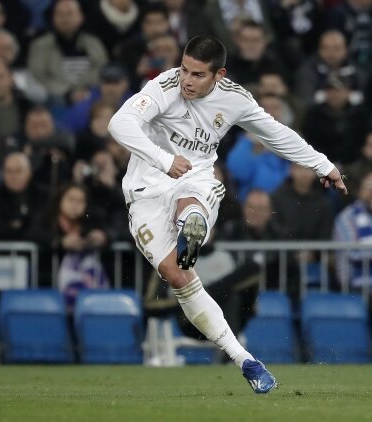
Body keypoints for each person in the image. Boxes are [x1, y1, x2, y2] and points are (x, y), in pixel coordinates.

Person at [108, 35, 348, 394]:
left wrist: (322, 165)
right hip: (145, 192)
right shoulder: (164, 86)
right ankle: (245, 359)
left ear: (218, 75)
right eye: (184, 69)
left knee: (191, 201)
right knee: (176, 275)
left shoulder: (235, 99)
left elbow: (276, 134)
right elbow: (119, 123)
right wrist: (163, 159)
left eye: (197, 74)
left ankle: (193, 223)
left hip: (195, 177)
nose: (187, 80)